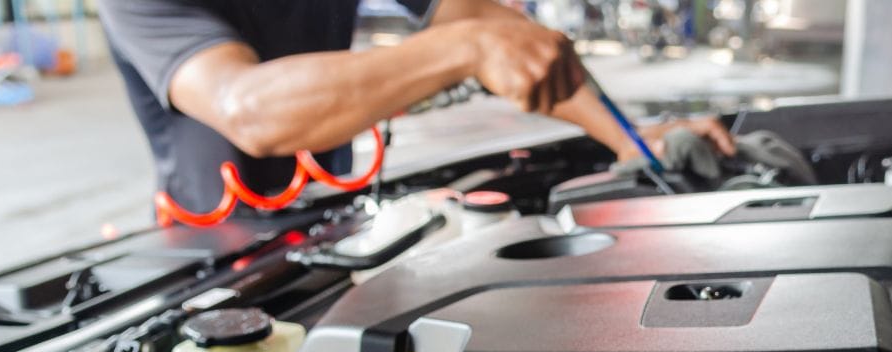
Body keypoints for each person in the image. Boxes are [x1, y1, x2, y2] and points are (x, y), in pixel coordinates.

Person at [97, 0, 737, 214]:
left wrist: (628, 139)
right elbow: (250, 110)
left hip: (338, 223)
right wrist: (464, 46)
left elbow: (491, 29)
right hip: (215, 266)